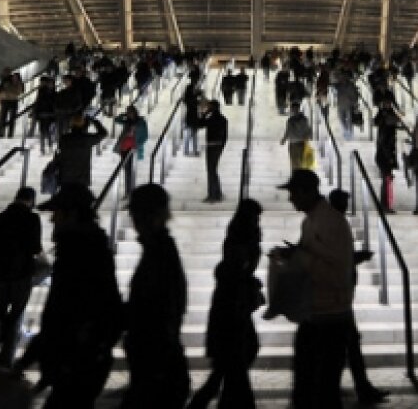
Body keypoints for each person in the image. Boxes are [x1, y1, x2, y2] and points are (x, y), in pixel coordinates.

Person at [14, 183, 122, 408]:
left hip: (77, 362)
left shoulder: (80, 254)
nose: (53, 220)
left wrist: (32, 360)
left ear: (72, 214)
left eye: (58, 213)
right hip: (78, 361)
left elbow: (65, 314)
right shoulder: (83, 250)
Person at [271, 170, 354, 409]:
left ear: (308, 192)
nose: (291, 199)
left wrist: (299, 258)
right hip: (315, 313)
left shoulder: (330, 222)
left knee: (322, 390)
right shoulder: (310, 221)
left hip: (330, 317)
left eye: (294, 193)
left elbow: (338, 273)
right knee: (308, 387)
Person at [188, 199, 264, 409]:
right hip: (232, 317)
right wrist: (250, 287)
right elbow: (237, 278)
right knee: (233, 368)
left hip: (230, 314)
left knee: (226, 370)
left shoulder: (237, 241)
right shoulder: (242, 244)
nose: (258, 222)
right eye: (256, 217)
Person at [120, 184, 190, 408]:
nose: (133, 220)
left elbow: (158, 309)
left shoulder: (160, 254)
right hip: (157, 364)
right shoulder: (159, 250)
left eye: (136, 214)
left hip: (156, 366)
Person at [327, 189, 389, 405]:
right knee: (348, 345)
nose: (346, 205)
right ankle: (358, 388)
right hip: (336, 297)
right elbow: (334, 258)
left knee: (348, 345)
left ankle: (357, 387)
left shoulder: (335, 222)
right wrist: (357, 257)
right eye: (344, 201)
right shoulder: (332, 224)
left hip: (341, 295)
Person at [0, 187, 43, 370]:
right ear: (31, 200)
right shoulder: (32, 219)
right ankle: (7, 360)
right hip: (21, 275)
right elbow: (35, 248)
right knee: (15, 316)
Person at [55, 113, 106, 188]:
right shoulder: (87, 139)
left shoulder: (64, 138)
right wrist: (95, 121)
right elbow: (103, 133)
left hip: (65, 176)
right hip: (82, 178)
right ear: (85, 125)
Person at [192, 99, 228, 203]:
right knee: (213, 170)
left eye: (209, 106)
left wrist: (203, 114)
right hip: (218, 146)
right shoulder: (222, 119)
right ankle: (217, 193)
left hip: (212, 146)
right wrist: (222, 146)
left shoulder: (212, 118)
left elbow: (199, 125)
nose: (207, 108)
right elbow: (225, 136)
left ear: (213, 107)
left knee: (211, 170)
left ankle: (212, 195)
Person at [373, 99, 402, 213]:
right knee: (387, 181)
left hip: (382, 156)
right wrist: (390, 159)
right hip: (384, 157)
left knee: (386, 181)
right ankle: (385, 205)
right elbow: (386, 145)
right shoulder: (388, 130)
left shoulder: (385, 128)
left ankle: (384, 205)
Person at [114, 104, 148, 196]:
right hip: (124, 147)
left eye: (130, 112)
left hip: (134, 148)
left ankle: (130, 191)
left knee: (131, 170)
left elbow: (145, 136)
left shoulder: (141, 122)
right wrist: (123, 115)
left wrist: (138, 145)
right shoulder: (126, 121)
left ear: (135, 112)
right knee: (127, 170)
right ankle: (128, 191)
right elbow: (116, 120)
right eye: (128, 112)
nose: (129, 114)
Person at [280, 101, 312, 174]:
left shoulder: (290, 120)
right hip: (301, 142)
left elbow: (287, 132)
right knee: (300, 160)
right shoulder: (304, 119)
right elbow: (308, 130)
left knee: (294, 161)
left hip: (294, 143)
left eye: (292, 108)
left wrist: (283, 140)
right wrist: (307, 138)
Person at [0, 70, 23, 138]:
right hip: (5, 101)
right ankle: (1, 132)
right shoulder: (5, 81)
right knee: (2, 118)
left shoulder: (19, 84)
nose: (14, 78)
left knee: (12, 118)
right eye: (14, 77)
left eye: (16, 77)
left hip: (13, 101)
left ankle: (10, 133)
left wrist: (9, 88)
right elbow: (0, 90)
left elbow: (18, 92)